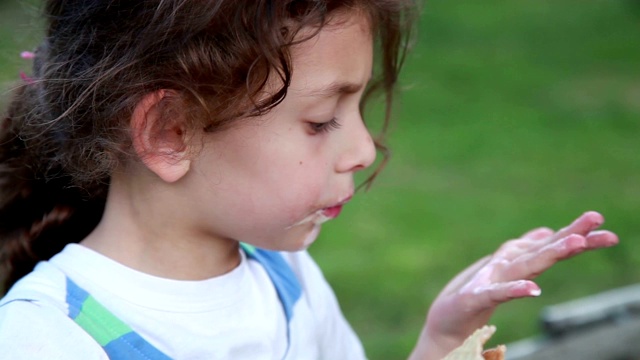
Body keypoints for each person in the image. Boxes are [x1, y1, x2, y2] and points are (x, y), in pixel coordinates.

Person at [0, 1, 618, 359]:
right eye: (323, 120)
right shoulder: (48, 339)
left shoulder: (285, 279)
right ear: (171, 133)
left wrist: (441, 338)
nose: (361, 148)